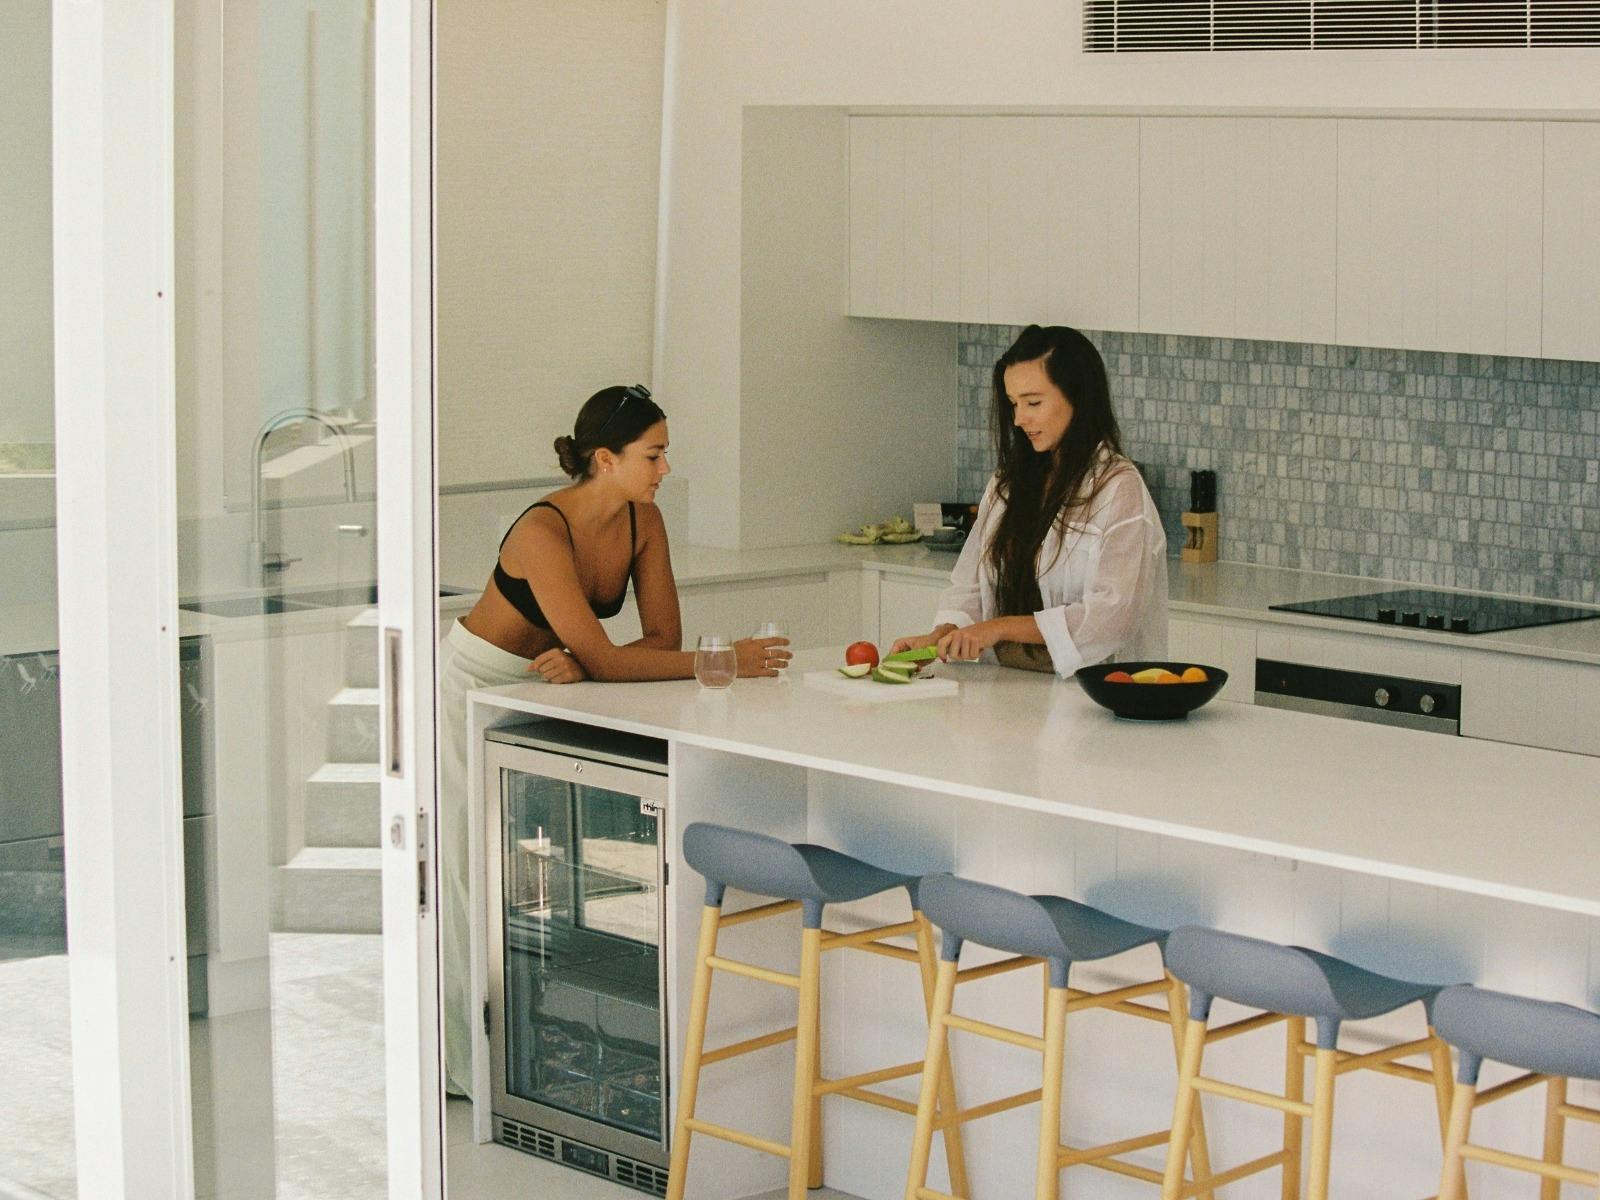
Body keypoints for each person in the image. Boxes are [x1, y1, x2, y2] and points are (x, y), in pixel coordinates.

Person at [437, 384, 789, 1096]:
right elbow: (612, 656)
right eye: (653, 455)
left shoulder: (643, 521)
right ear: (605, 459)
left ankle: (525, 1054)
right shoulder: (540, 531)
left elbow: (660, 639)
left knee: (527, 873)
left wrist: (590, 657)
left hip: (552, 682)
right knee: (468, 871)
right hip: (474, 685)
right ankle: (463, 1071)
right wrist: (722, 663)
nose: (664, 469)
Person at [891, 325, 1167, 676]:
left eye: (1033, 402)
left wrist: (1000, 627)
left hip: (1090, 698)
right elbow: (970, 584)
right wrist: (939, 637)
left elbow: (1113, 615)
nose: (1020, 419)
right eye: (1013, 404)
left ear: (1078, 398)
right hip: (1004, 690)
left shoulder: (1118, 487)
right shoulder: (1006, 484)